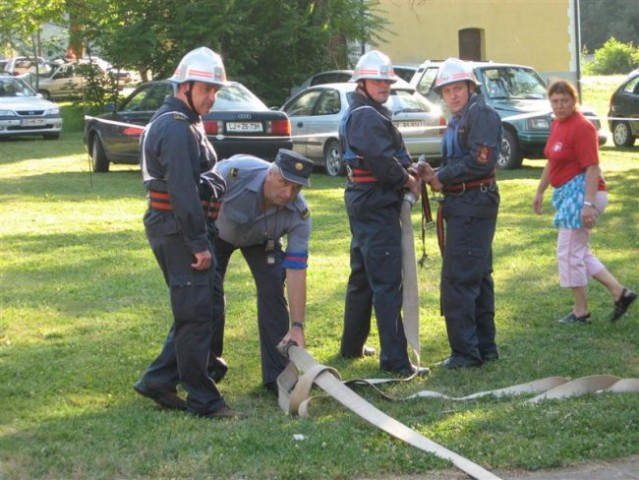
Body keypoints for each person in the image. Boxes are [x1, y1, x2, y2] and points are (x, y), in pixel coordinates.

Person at [133, 47, 244, 419]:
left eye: (216, 90)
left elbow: (193, 180)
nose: (213, 97)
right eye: (207, 89)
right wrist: (198, 243)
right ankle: (203, 399)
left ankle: (159, 379)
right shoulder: (175, 126)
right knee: (195, 313)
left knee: (201, 307)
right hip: (179, 231)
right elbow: (181, 189)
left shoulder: (186, 121)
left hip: (189, 228)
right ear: (185, 86)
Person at [338, 50, 428, 377]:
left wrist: (407, 169)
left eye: (387, 80)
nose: (384, 86)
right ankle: (395, 360)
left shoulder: (366, 111)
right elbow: (379, 160)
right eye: (378, 80)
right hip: (375, 199)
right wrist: (407, 180)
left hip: (366, 199)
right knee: (387, 282)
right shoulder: (366, 115)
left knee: (362, 275)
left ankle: (351, 345)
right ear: (362, 82)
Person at [420, 58, 503, 369]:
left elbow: (480, 161)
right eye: (447, 90)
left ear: (471, 87)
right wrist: (435, 174)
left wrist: (442, 177)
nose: (453, 95)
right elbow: (463, 162)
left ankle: (466, 354)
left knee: (458, 279)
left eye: (458, 89)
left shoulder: (480, 115)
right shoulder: (460, 117)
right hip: (466, 203)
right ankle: (485, 347)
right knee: (478, 276)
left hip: (473, 205)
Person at [209, 149, 313, 395]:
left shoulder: (300, 214)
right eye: (284, 183)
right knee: (208, 296)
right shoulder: (233, 175)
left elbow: (297, 269)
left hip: (261, 241)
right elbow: (196, 200)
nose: (288, 194)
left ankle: (277, 376)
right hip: (216, 234)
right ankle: (207, 366)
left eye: (297, 188)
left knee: (273, 292)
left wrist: (298, 326)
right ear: (270, 173)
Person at [533, 80, 636, 324]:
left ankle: (581, 312)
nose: (559, 106)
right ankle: (620, 292)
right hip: (570, 196)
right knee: (579, 251)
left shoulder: (582, 127)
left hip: (583, 197)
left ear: (574, 100)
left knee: (568, 253)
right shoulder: (558, 123)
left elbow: (592, 168)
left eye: (564, 101)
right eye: (555, 101)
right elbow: (552, 162)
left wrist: (588, 205)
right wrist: (539, 191)